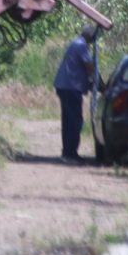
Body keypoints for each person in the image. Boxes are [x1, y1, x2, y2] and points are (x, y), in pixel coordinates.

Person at [53, 24, 98, 163]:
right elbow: (89, 65)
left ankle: (68, 151)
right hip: (70, 87)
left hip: (66, 86)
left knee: (69, 120)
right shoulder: (81, 45)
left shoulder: (77, 43)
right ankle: (70, 153)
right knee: (74, 120)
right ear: (90, 36)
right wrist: (95, 80)